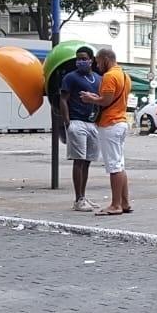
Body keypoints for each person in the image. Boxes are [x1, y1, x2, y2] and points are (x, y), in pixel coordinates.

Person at [82, 47, 132, 216]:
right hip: (121, 122)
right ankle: (124, 202)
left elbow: (106, 101)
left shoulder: (110, 76)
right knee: (119, 164)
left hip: (110, 123)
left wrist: (91, 98)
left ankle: (115, 204)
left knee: (114, 166)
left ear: (105, 59)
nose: (96, 64)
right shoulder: (124, 75)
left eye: (97, 61)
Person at [58, 46, 101, 212]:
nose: (80, 61)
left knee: (87, 161)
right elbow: (63, 99)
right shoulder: (70, 78)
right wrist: (67, 120)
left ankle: (83, 196)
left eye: (84, 58)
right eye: (78, 58)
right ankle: (78, 199)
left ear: (91, 60)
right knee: (79, 160)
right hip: (77, 122)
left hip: (92, 123)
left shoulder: (98, 78)